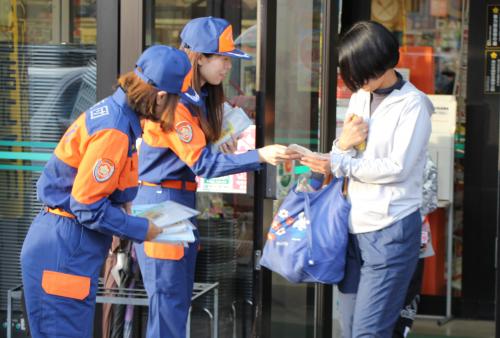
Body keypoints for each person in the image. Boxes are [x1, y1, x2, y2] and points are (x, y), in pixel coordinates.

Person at [133, 16, 298, 338]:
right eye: (222, 59)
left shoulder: (199, 98)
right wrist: (260, 156)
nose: (227, 67)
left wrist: (223, 136)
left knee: (176, 302)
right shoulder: (175, 101)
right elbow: (204, 165)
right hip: (160, 203)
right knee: (168, 302)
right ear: (199, 57)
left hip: (175, 201)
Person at [20, 45, 199, 338]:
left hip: (66, 243)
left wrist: (131, 213)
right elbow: (86, 205)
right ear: (162, 97)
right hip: (64, 248)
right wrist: (143, 228)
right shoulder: (115, 130)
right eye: (176, 101)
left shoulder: (117, 115)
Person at [300, 21, 433, 337]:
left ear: (381, 61)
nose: (355, 81)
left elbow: (396, 167)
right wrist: (339, 148)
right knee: (348, 330)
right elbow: (344, 148)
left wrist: (339, 160)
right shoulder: (361, 96)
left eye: (358, 72)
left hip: (391, 230)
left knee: (368, 332)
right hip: (352, 226)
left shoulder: (414, 104)